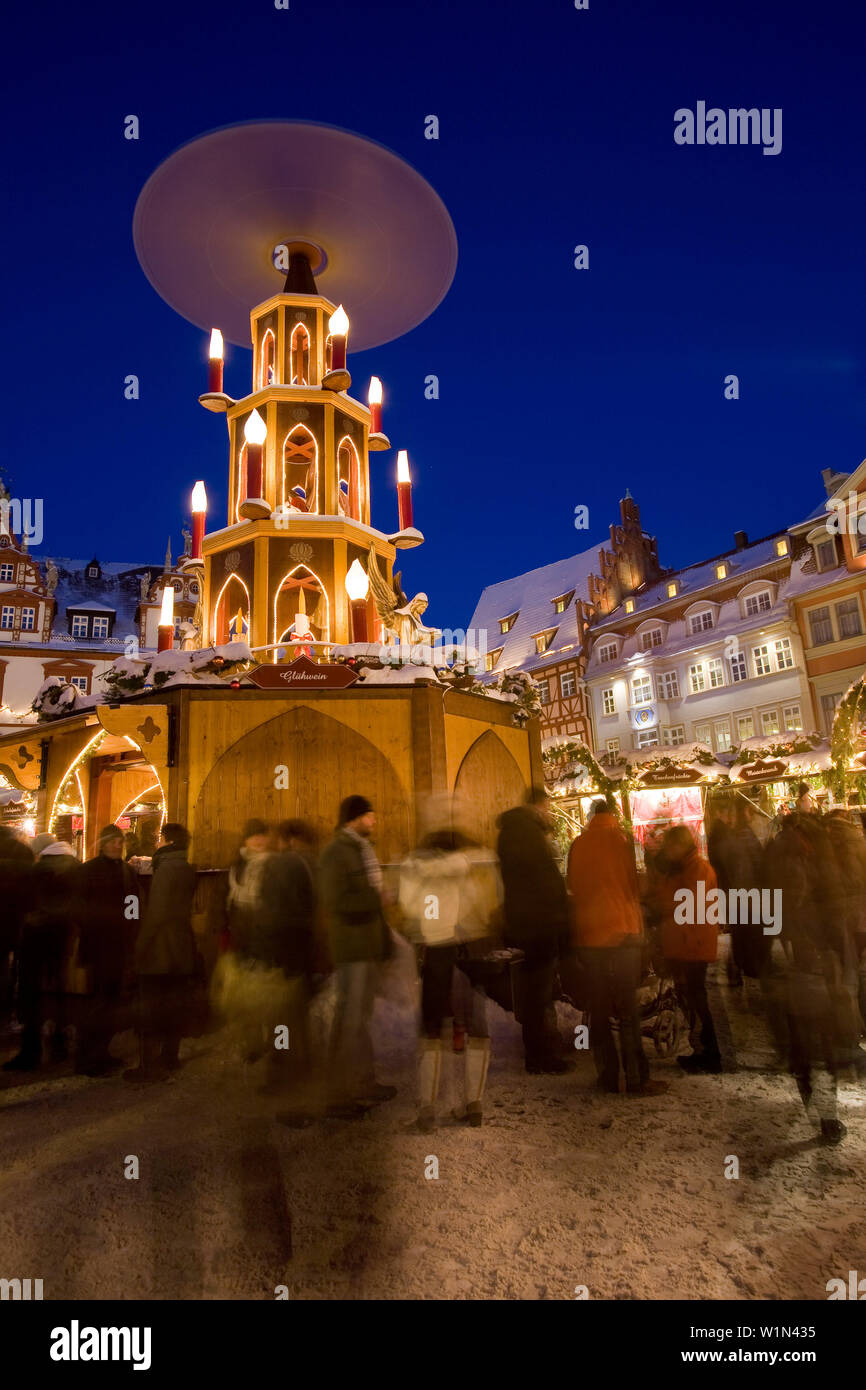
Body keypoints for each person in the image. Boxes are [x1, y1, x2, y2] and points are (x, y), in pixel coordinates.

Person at [399, 830, 498, 1130]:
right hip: (470, 951)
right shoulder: (472, 864)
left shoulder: (414, 870)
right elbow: (483, 904)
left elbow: (410, 907)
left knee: (431, 1029)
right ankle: (474, 1105)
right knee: (477, 1028)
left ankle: (428, 1110)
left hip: (436, 950)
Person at [567, 800, 666, 1097]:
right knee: (627, 1010)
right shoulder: (623, 841)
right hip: (623, 933)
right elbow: (636, 885)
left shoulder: (578, 845)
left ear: (593, 815)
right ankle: (636, 1078)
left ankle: (608, 1076)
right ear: (614, 815)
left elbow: (572, 884)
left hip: (590, 936)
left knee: (598, 1010)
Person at [319, 795, 395, 1116]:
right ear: (353, 818)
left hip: (365, 946)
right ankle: (335, 1095)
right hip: (351, 948)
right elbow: (336, 902)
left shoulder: (361, 850)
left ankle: (364, 1082)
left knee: (358, 1018)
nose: (374, 820)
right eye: (369, 815)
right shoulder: (337, 852)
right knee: (348, 1020)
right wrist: (376, 898)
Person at [496, 787, 570, 1074]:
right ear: (538, 806)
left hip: (521, 922)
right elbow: (545, 881)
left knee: (533, 992)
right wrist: (559, 914)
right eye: (547, 806)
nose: (549, 812)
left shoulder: (510, 832)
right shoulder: (528, 833)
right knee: (539, 994)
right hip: (539, 924)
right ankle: (541, 1057)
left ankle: (539, 1051)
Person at [125, 823, 198, 1082]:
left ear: (166, 840)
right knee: (174, 1002)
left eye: (159, 838)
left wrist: (141, 946)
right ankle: (170, 1057)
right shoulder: (187, 867)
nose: (156, 842)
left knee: (152, 1005)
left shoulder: (166, 869)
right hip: (181, 944)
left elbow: (157, 914)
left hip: (161, 947)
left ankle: (149, 1067)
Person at [252, 819, 318, 1095]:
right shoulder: (309, 864)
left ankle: (281, 1074)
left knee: (280, 1015)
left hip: (281, 949)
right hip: (302, 948)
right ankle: (303, 1067)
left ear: (289, 839)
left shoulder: (281, 865)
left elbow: (268, 909)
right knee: (297, 1014)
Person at [3, 838, 79, 1071]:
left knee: (31, 995)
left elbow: (23, 905)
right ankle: (59, 1045)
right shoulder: (76, 869)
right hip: (62, 939)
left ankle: (31, 1052)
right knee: (58, 992)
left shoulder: (35, 871)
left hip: (34, 940)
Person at [655, 824, 722, 1073]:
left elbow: (684, 905)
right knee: (692, 999)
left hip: (692, 945)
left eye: (670, 846)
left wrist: (661, 906)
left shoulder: (697, 870)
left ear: (680, 845)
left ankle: (711, 1051)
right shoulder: (682, 868)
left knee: (698, 1000)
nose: (666, 851)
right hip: (685, 944)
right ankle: (703, 1049)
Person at [76, 825, 140, 1076]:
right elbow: (79, 907)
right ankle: (87, 1057)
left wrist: (131, 929)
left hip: (118, 945)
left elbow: (132, 905)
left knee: (111, 1001)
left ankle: (100, 1052)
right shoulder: (88, 871)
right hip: (97, 945)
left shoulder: (127, 872)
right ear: (102, 843)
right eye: (112, 841)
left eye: (119, 841)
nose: (117, 845)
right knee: (98, 1001)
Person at [0, 827, 33, 1031]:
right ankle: (8, 1015)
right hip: (17, 923)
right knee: (13, 971)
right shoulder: (24, 855)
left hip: (8, 921)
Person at [223, 819, 271, 958]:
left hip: (266, 933)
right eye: (252, 835)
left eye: (262, 835)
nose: (258, 840)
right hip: (239, 931)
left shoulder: (275, 864)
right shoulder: (237, 865)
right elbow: (225, 899)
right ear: (245, 840)